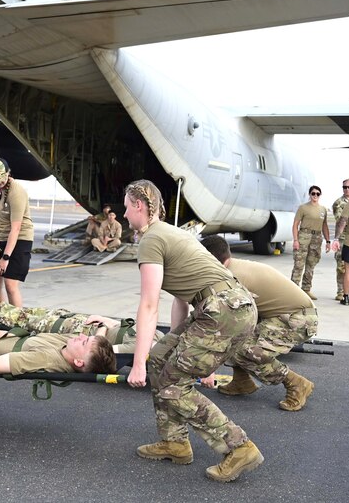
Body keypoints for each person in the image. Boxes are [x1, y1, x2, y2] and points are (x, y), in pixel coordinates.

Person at [122, 179, 263, 483]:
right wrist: (181, 350)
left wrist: (137, 365)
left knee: (174, 384)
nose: (123, 215)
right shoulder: (172, 233)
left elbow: (148, 306)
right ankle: (175, 442)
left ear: (138, 205)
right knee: (161, 359)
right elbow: (182, 297)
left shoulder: (151, 240)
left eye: (125, 208)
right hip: (228, 306)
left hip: (221, 311)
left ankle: (238, 447)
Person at [200, 235, 317, 411]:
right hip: (278, 315)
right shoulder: (230, 267)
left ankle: (296, 383)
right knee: (235, 339)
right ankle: (242, 382)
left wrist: (208, 367)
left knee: (246, 350)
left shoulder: (232, 278)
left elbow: (224, 322)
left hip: (298, 318)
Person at [0, 281, 163, 353]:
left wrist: (102, 327)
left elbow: (102, 349)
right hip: (83, 321)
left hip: (80, 333)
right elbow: (126, 325)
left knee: (30, 322)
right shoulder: (158, 336)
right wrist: (106, 320)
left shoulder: (142, 347)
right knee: (37, 313)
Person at [0, 157, 34, 307]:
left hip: (19, 238)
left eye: (1, 179)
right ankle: (2, 318)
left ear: (8, 173)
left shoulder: (17, 192)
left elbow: (16, 228)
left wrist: (5, 258)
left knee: (10, 285)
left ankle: (17, 323)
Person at [290, 185, 330, 300]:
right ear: (310, 195)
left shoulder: (323, 209)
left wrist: (328, 241)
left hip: (317, 238)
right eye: (313, 193)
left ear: (320, 195)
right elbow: (295, 224)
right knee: (299, 264)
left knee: (311, 264)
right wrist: (296, 240)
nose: (315, 195)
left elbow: (325, 226)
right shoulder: (303, 208)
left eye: (317, 193)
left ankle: (306, 289)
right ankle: (294, 290)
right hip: (304, 236)